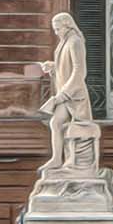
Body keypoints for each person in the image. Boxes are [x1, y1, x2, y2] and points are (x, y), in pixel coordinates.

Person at [38, 12, 95, 171]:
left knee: (78, 131)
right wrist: (53, 66)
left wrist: (62, 95)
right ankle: (57, 159)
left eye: (57, 29)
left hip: (74, 96)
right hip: (65, 95)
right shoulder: (66, 41)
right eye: (54, 29)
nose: (56, 33)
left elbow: (79, 72)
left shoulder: (75, 41)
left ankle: (77, 164)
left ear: (67, 25)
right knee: (55, 123)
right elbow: (66, 64)